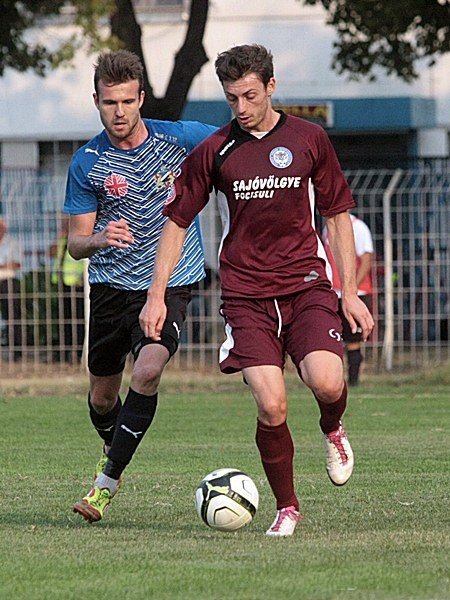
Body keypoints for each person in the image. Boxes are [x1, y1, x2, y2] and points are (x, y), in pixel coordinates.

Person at [140, 44, 374, 537]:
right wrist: (156, 295)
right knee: (272, 405)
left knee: (328, 383)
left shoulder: (309, 139)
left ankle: (332, 426)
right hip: (246, 296)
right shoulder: (215, 150)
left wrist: (349, 292)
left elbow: (337, 216)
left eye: (250, 95)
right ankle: (287, 507)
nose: (241, 108)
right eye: (232, 99)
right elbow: (176, 222)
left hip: (306, 286)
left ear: (271, 86)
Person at [65, 50, 216, 523]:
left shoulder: (180, 139)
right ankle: (115, 447)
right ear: (96, 101)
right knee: (102, 398)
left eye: (128, 101)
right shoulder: (87, 162)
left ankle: (105, 483)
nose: (119, 112)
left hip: (169, 282)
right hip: (110, 287)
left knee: (148, 370)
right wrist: (98, 238)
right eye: (110, 102)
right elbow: (74, 244)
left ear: (141, 99)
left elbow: (238, 144)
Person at [323, 214, 374, 385]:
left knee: (353, 340)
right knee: (332, 340)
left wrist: (351, 289)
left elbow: (366, 260)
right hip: (333, 293)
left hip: (355, 294)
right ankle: (334, 381)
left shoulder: (358, 227)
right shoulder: (327, 227)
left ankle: (353, 380)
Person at [50, 216, 87, 363]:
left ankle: (77, 353)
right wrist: (60, 236)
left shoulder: (80, 240)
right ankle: (64, 352)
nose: (64, 225)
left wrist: (82, 279)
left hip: (76, 284)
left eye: (66, 222)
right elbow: (51, 252)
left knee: (77, 320)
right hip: (62, 283)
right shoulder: (63, 239)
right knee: (63, 319)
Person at [0, 217, 23, 360]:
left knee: (12, 316)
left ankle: (16, 350)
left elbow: (17, 264)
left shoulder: (12, 243)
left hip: (7, 281)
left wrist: (3, 266)